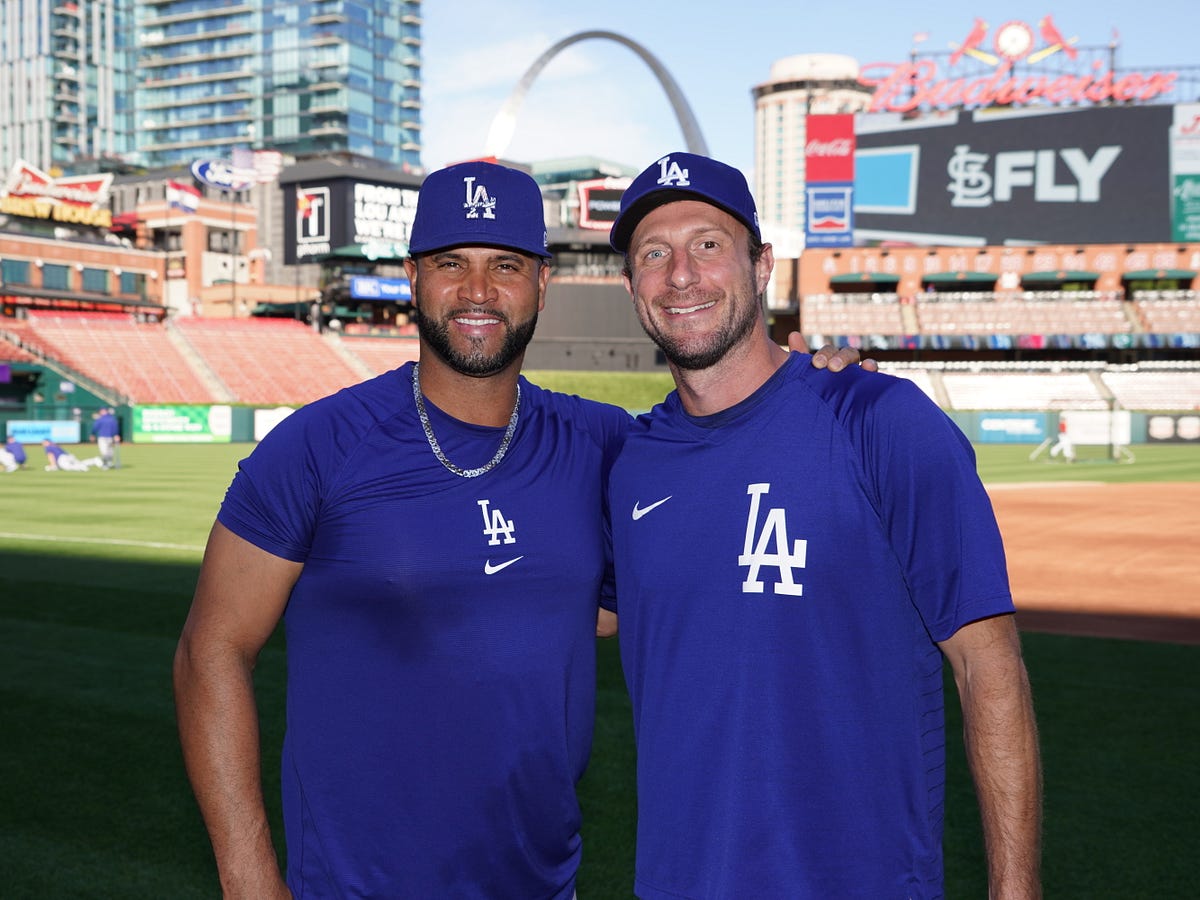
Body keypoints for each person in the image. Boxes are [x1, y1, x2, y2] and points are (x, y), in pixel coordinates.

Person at [173, 159, 866, 899]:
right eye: (451, 264)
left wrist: (806, 385)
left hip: (540, 883)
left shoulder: (604, 444)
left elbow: (708, 467)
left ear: (542, 283)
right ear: (414, 278)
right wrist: (249, 879)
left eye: (505, 265)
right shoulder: (318, 444)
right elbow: (210, 649)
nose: (477, 291)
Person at [606, 152, 1042, 899]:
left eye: (708, 244)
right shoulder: (627, 463)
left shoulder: (878, 420)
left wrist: (1016, 891)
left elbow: (986, 663)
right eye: (654, 253)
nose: (681, 274)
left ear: (762, 264)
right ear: (631, 285)